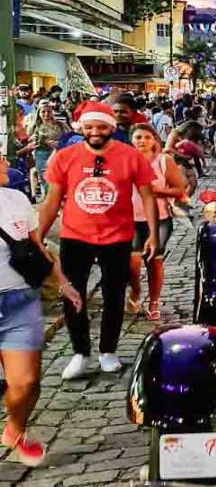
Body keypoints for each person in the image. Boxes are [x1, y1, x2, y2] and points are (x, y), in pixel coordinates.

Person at [37, 102, 159, 380]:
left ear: (111, 129)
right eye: (89, 127)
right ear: (81, 128)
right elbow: (52, 200)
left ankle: (108, 351)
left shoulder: (130, 156)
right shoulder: (64, 156)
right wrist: (38, 238)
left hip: (117, 236)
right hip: (74, 236)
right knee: (72, 293)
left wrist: (152, 233)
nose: (95, 132)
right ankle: (80, 352)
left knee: (114, 295)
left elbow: (148, 195)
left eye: (102, 127)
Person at [0, 158, 81, 467]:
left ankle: (15, 429)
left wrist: (64, 283)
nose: (5, 161)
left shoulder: (16, 199)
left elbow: (38, 248)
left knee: (27, 382)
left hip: (19, 301)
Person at [127, 124, 187, 320]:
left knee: (154, 262)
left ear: (154, 140)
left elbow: (179, 189)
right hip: (131, 219)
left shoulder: (164, 161)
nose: (142, 141)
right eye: (138, 137)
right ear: (131, 140)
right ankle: (135, 291)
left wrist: (155, 191)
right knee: (132, 263)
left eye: (147, 137)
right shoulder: (125, 161)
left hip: (159, 219)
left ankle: (154, 301)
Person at [26, 102, 70, 195]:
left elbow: (71, 139)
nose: (46, 114)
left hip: (58, 153)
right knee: (44, 177)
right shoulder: (34, 126)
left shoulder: (61, 125)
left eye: (49, 111)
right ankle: (47, 196)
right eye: (43, 112)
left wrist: (59, 144)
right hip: (41, 153)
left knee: (57, 177)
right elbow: (26, 141)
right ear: (39, 113)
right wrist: (32, 140)